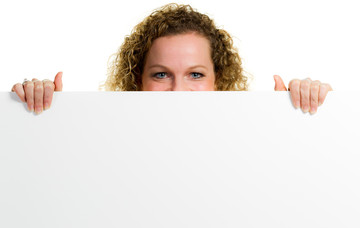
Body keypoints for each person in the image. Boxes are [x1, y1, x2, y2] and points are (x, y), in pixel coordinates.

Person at [11, 3, 332, 115]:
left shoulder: (250, 146)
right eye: (161, 75)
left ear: (218, 80)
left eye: (195, 74)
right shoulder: (103, 143)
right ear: (137, 79)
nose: (178, 91)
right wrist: (41, 119)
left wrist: (296, 120)